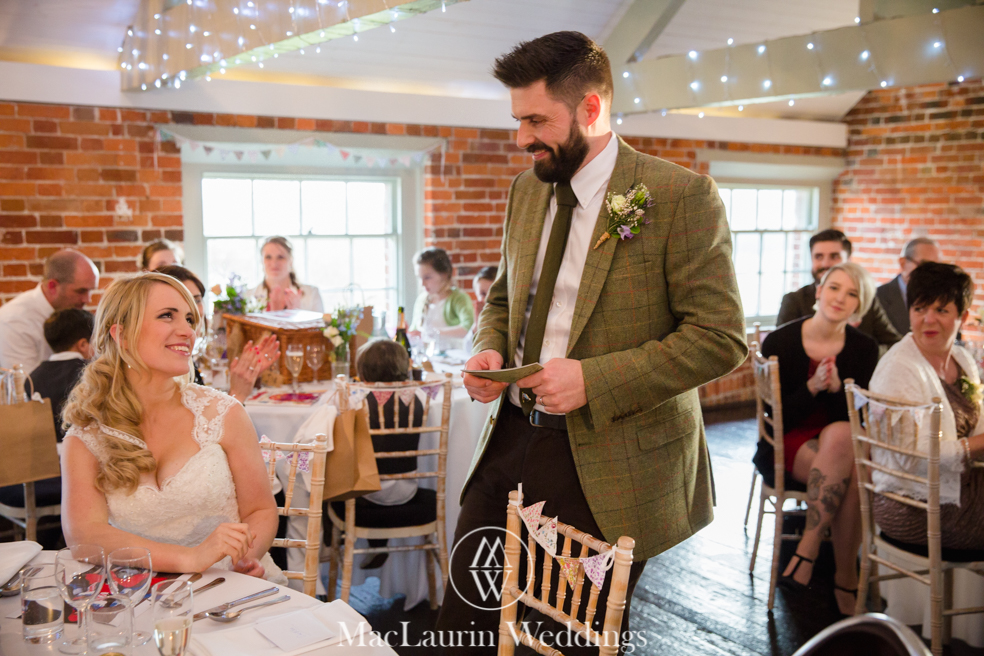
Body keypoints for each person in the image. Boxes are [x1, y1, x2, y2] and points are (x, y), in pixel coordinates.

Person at [438, 32, 747, 652]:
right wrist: (489, 347)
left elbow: (720, 338)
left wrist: (592, 380)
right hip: (509, 436)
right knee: (463, 622)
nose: (521, 138)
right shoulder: (527, 190)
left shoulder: (680, 197)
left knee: (565, 638)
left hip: (609, 458)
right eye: (517, 120)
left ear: (591, 108)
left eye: (536, 121)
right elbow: (504, 299)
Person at [60, 272, 283, 579]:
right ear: (121, 335)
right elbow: (84, 535)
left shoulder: (223, 414)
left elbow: (261, 510)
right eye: (167, 316)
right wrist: (190, 559)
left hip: (230, 583)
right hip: (142, 591)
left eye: (190, 319)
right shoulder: (86, 436)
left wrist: (244, 558)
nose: (188, 331)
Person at [761, 262, 879, 615]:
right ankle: (846, 579)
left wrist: (837, 389)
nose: (840, 298)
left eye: (852, 293)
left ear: (859, 305)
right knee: (855, 472)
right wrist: (812, 388)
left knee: (845, 441)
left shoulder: (864, 349)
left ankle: (807, 552)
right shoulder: (780, 341)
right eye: (834, 288)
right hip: (786, 441)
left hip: (838, 442)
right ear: (819, 291)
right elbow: (775, 419)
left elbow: (858, 421)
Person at [869, 262, 984, 550]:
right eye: (919, 309)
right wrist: (979, 444)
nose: (928, 319)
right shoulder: (899, 369)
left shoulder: (963, 360)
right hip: (915, 507)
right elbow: (916, 460)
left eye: (941, 310)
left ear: (963, 316)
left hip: (961, 490)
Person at [347, 339, 425, 570]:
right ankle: (377, 545)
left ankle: (333, 543)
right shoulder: (419, 399)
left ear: (363, 374)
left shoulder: (357, 402)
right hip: (409, 490)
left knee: (328, 483)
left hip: (368, 494)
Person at [156, 265, 279, 403]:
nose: (192, 309)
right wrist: (237, 394)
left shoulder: (188, 359)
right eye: (183, 300)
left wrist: (247, 375)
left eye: (197, 300)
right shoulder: (167, 364)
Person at [776, 229, 901, 352]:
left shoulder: (867, 302)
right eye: (818, 257)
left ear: (848, 260)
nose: (825, 264)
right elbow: (782, 346)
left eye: (834, 256)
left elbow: (895, 345)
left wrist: (864, 352)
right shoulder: (794, 301)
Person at [0, 249, 99, 372]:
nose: (87, 300)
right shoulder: (14, 321)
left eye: (91, 291)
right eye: (81, 291)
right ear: (52, 286)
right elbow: (26, 381)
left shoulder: (72, 312)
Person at [29, 309, 94, 441]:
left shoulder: (31, 378)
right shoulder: (91, 373)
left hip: (47, 449)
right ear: (83, 344)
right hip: (83, 445)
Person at [875, 237, 941, 335]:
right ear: (903, 263)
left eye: (936, 267)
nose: (931, 273)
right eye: (924, 265)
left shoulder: (943, 298)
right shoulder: (878, 297)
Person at [409, 247, 475, 342]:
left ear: (444, 275)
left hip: (454, 351)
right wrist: (409, 334)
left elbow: (469, 327)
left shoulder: (459, 298)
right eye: (419, 278)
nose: (422, 284)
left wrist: (435, 333)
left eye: (427, 277)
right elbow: (415, 329)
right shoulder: (422, 300)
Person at [247, 236, 323, 313]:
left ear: (291, 260)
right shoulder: (247, 296)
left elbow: (321, 320)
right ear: (261, 261)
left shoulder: (312, 293)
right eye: (268, 257)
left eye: (280, 257)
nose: (274, 263)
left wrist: (297, 313)